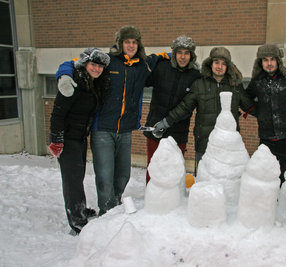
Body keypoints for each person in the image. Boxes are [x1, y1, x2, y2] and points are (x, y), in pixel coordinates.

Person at [56, 26, 169, 215]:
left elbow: (163, 56)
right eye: (127, 42)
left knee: (124, 175)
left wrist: (178, 54)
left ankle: (114, 206)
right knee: (105, 176)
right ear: (120, 43)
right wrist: (64, 76)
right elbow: (71, 62)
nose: (131, 45)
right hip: (103, 129)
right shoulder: (107, 62)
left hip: (125, 130)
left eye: (134, 42)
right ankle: (106, 212)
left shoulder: (143, 65)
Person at [152, 47, 255, 174]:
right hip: (204, 142)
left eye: (224, 64)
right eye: (217, 62)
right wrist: (166, 122)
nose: (219, 66)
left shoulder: (235, 86)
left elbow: (250, 107)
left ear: (228, 67)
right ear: (210, 64)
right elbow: (184, 107)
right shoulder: (199, 84)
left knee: (227, 180)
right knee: (203, 180)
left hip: (228, 144)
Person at [49, 47, 110, 235]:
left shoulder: (92, 84)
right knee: (72, 181)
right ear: (85, 64)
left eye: (100, 66)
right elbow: (57, 114)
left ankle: (80, 210)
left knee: (78, 177)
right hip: (67, 140)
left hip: (79, 138)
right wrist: (57, 140)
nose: (97, 69)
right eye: (93, 64)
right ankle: (77, 223)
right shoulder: (72, 82)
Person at [143, 35, 201, 184]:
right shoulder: (161, 67)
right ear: (174, 54)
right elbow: (142, 80)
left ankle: (173, 202)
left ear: (191, 55)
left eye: (186, 53)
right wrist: (148, 61)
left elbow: (189, 105)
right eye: (179, 52)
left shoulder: (195, 76)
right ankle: (152, 197)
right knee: (154, 166)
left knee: (174, 169)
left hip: (178, 132)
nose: (182, 57)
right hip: (155, 127)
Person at [246, 44, 286, 185]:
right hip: (266, 138)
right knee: (267, 176)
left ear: (278, 61)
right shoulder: (257, 81)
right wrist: (259, 113)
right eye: (265, 60)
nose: (269, 63)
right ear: (260, 62)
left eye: (272, 59)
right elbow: (246, 100)